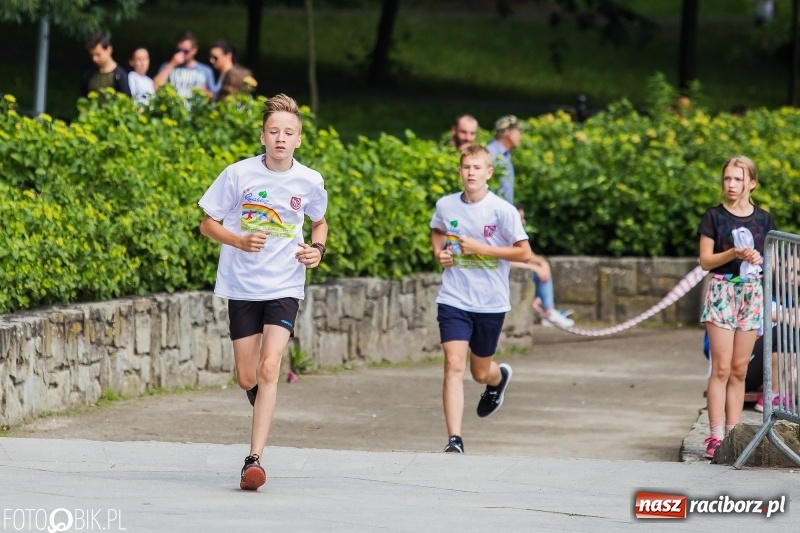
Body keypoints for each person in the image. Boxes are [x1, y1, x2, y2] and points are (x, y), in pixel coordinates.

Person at [198, 94, 328, 490]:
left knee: (271, 367)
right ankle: (260, 397)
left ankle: (253, 461)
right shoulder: (238, 174)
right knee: (246, 377)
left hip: (285, 284)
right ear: (263, 136)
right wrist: (238, 241)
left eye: (289, 133)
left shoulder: (309, 181)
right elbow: (207, 224)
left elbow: (320, 223)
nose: (281, 139)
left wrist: (316, 251)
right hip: (241, 285)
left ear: (299, 139)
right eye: (274, 131)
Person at [430, 144, 532, 454]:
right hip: (454, 298)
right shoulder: (446, 205)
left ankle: (497, 379)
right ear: (460, 171)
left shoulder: (502, 210)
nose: (471, 173)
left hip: (490, 303)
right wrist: (440, 254)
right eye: (466, 167)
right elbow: (437, 230)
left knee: (479, 372)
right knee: (453, 364)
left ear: (488, 173)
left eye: (477, 168)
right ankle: (454, 439)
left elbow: (524, 252)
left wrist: (482, 249)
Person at [698, 155, 777, 459]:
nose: (731, 185)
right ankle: (716, 435)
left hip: (751, 294)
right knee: (720, 367)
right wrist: (732, 252)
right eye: (727, 179)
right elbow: (705, 261)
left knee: (739, 369)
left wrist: (760, 261)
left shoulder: (763, 219)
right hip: (722, 291)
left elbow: (772, 261)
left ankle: (735, 433)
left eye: (737, 179)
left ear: (751, 183)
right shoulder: (714, 217)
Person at [487, 115, 573, 327]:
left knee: (539, 263)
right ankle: (548, 311)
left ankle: (546, 309)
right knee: (538, 265)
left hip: (505, 224)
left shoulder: (504, 156)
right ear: (509, 133)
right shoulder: (491, 155)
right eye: (518, 132)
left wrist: (515, 210)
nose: (520, 136)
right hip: (495, 229)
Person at [511, 206, 574, 328]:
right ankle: (549, 312)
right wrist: (535, 268)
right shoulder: (503, 235)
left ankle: (547, 311)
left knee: (542, 273)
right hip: (510, 275)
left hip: (522, 272)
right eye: (520, 218)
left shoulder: (519, 236)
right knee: (537, 273)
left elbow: (530, 256)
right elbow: (505, 261)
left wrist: (543, 264)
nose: (523, 222)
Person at [153, 32, 215, 99]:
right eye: (178, 50)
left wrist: (204, 92)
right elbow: (155, 87)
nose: (181, 53)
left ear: (195, 50)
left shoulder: (205, 70)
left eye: (185, 51)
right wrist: (172, 64)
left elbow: (213, 97)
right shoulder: (167, 66)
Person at [80, 32, 131, 98]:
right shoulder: (89, 75)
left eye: (98, 54)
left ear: (109, 50)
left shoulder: (120, 76)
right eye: (92, 55)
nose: (94, 59)